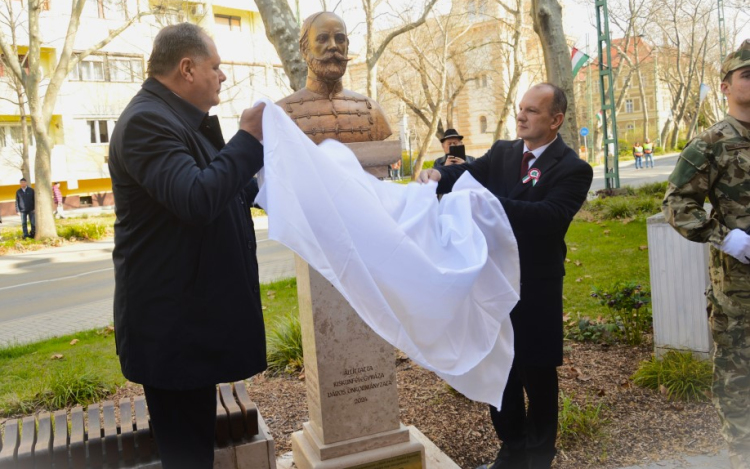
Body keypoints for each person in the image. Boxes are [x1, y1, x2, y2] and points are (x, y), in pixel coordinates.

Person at [107, 23, 267, 468]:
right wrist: (249, 140)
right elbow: (196, 198)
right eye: (215, 67)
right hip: (170, 331)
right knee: (187, 457)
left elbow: (216, 192)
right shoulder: (146, 122)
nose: (223, 76)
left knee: (194, 450)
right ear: (187, 68)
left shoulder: (174, 120)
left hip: (189, 325)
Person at [419, 83, 593, 469]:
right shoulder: (502, 152)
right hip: (492, 284)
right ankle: (511, 450)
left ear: (555, 120)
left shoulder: (573, 169)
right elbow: (467, 175)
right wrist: (436, 177)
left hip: (535, 287)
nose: (522, 116)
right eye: (520, 109)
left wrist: (490, 203)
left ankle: (538, 458)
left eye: (532, 111)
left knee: (538, 375)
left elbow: (549, 218)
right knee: (501, 371)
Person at [662, 38, 750, 469]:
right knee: (738, 378)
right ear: (725, 87)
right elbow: (677, 204)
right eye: (746, 75)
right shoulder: (711, 142)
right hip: (739, 290)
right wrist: (726, 237)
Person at [276, 12, 391, 145]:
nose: (333, 46)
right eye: (323, 39)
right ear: (304, 50)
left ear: (347, 46)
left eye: (340, 39)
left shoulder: (371, 111)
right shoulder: (280, 113)